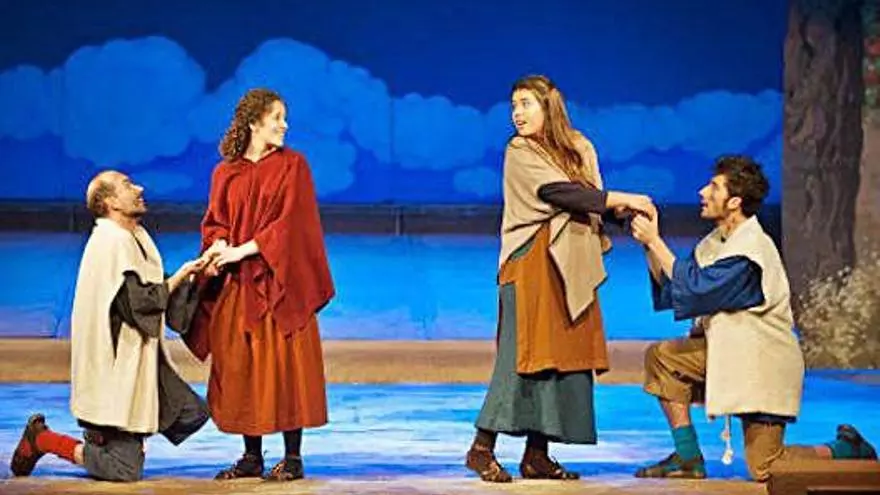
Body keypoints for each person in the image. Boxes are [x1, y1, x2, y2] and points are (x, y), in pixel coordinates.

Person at [630, 155, 878, 482]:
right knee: (664, 357)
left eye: (714, 187)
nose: (703, 192)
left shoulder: (750, 252)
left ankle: (845, 448)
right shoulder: (715, 243)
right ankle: (687, 457)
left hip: (761, 366)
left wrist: (655, 240)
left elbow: (696, 288)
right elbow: (675, 286)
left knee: (766, 468)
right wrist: (649, 245)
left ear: (735, 201)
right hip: (731, 356)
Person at [465, 74, 657, 483]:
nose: (517, 113)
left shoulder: (577, 147)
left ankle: (537, 454)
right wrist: (622, 197)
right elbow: (559, 193)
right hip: (530, 262)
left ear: (548, 106)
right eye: (514, 105)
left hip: (570, 264)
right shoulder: (519, 151)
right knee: (521, 357)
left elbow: (589, 198)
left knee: (560, 359)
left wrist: (621, 213)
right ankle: (481, 448)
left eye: (526, 104)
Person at [10, 170, 210, 481]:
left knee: (190, 412)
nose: (139, 188)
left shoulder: (133, 237)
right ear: (110, 202)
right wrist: (182, 276)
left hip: (142, 362)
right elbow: (138, 304)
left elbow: (150, 287)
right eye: (128, 185)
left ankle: (120, 439)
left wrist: (196, 275)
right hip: (116, 371)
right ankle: (45, 439)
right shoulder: (110, 244)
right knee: (125, 470)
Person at [186, 88, 335, 482]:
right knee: (242, 365)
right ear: (254, 122)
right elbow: (215, 220)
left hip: (280, 283)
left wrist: (242, 250)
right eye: (277, 118)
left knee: (285, 366)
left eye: (285, 118)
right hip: (238, 286)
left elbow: (292, 224)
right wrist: (219, 244)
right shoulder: (225, 172)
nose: (285, 125)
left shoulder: (293, 166)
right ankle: (251, 455)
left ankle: (293, 457)